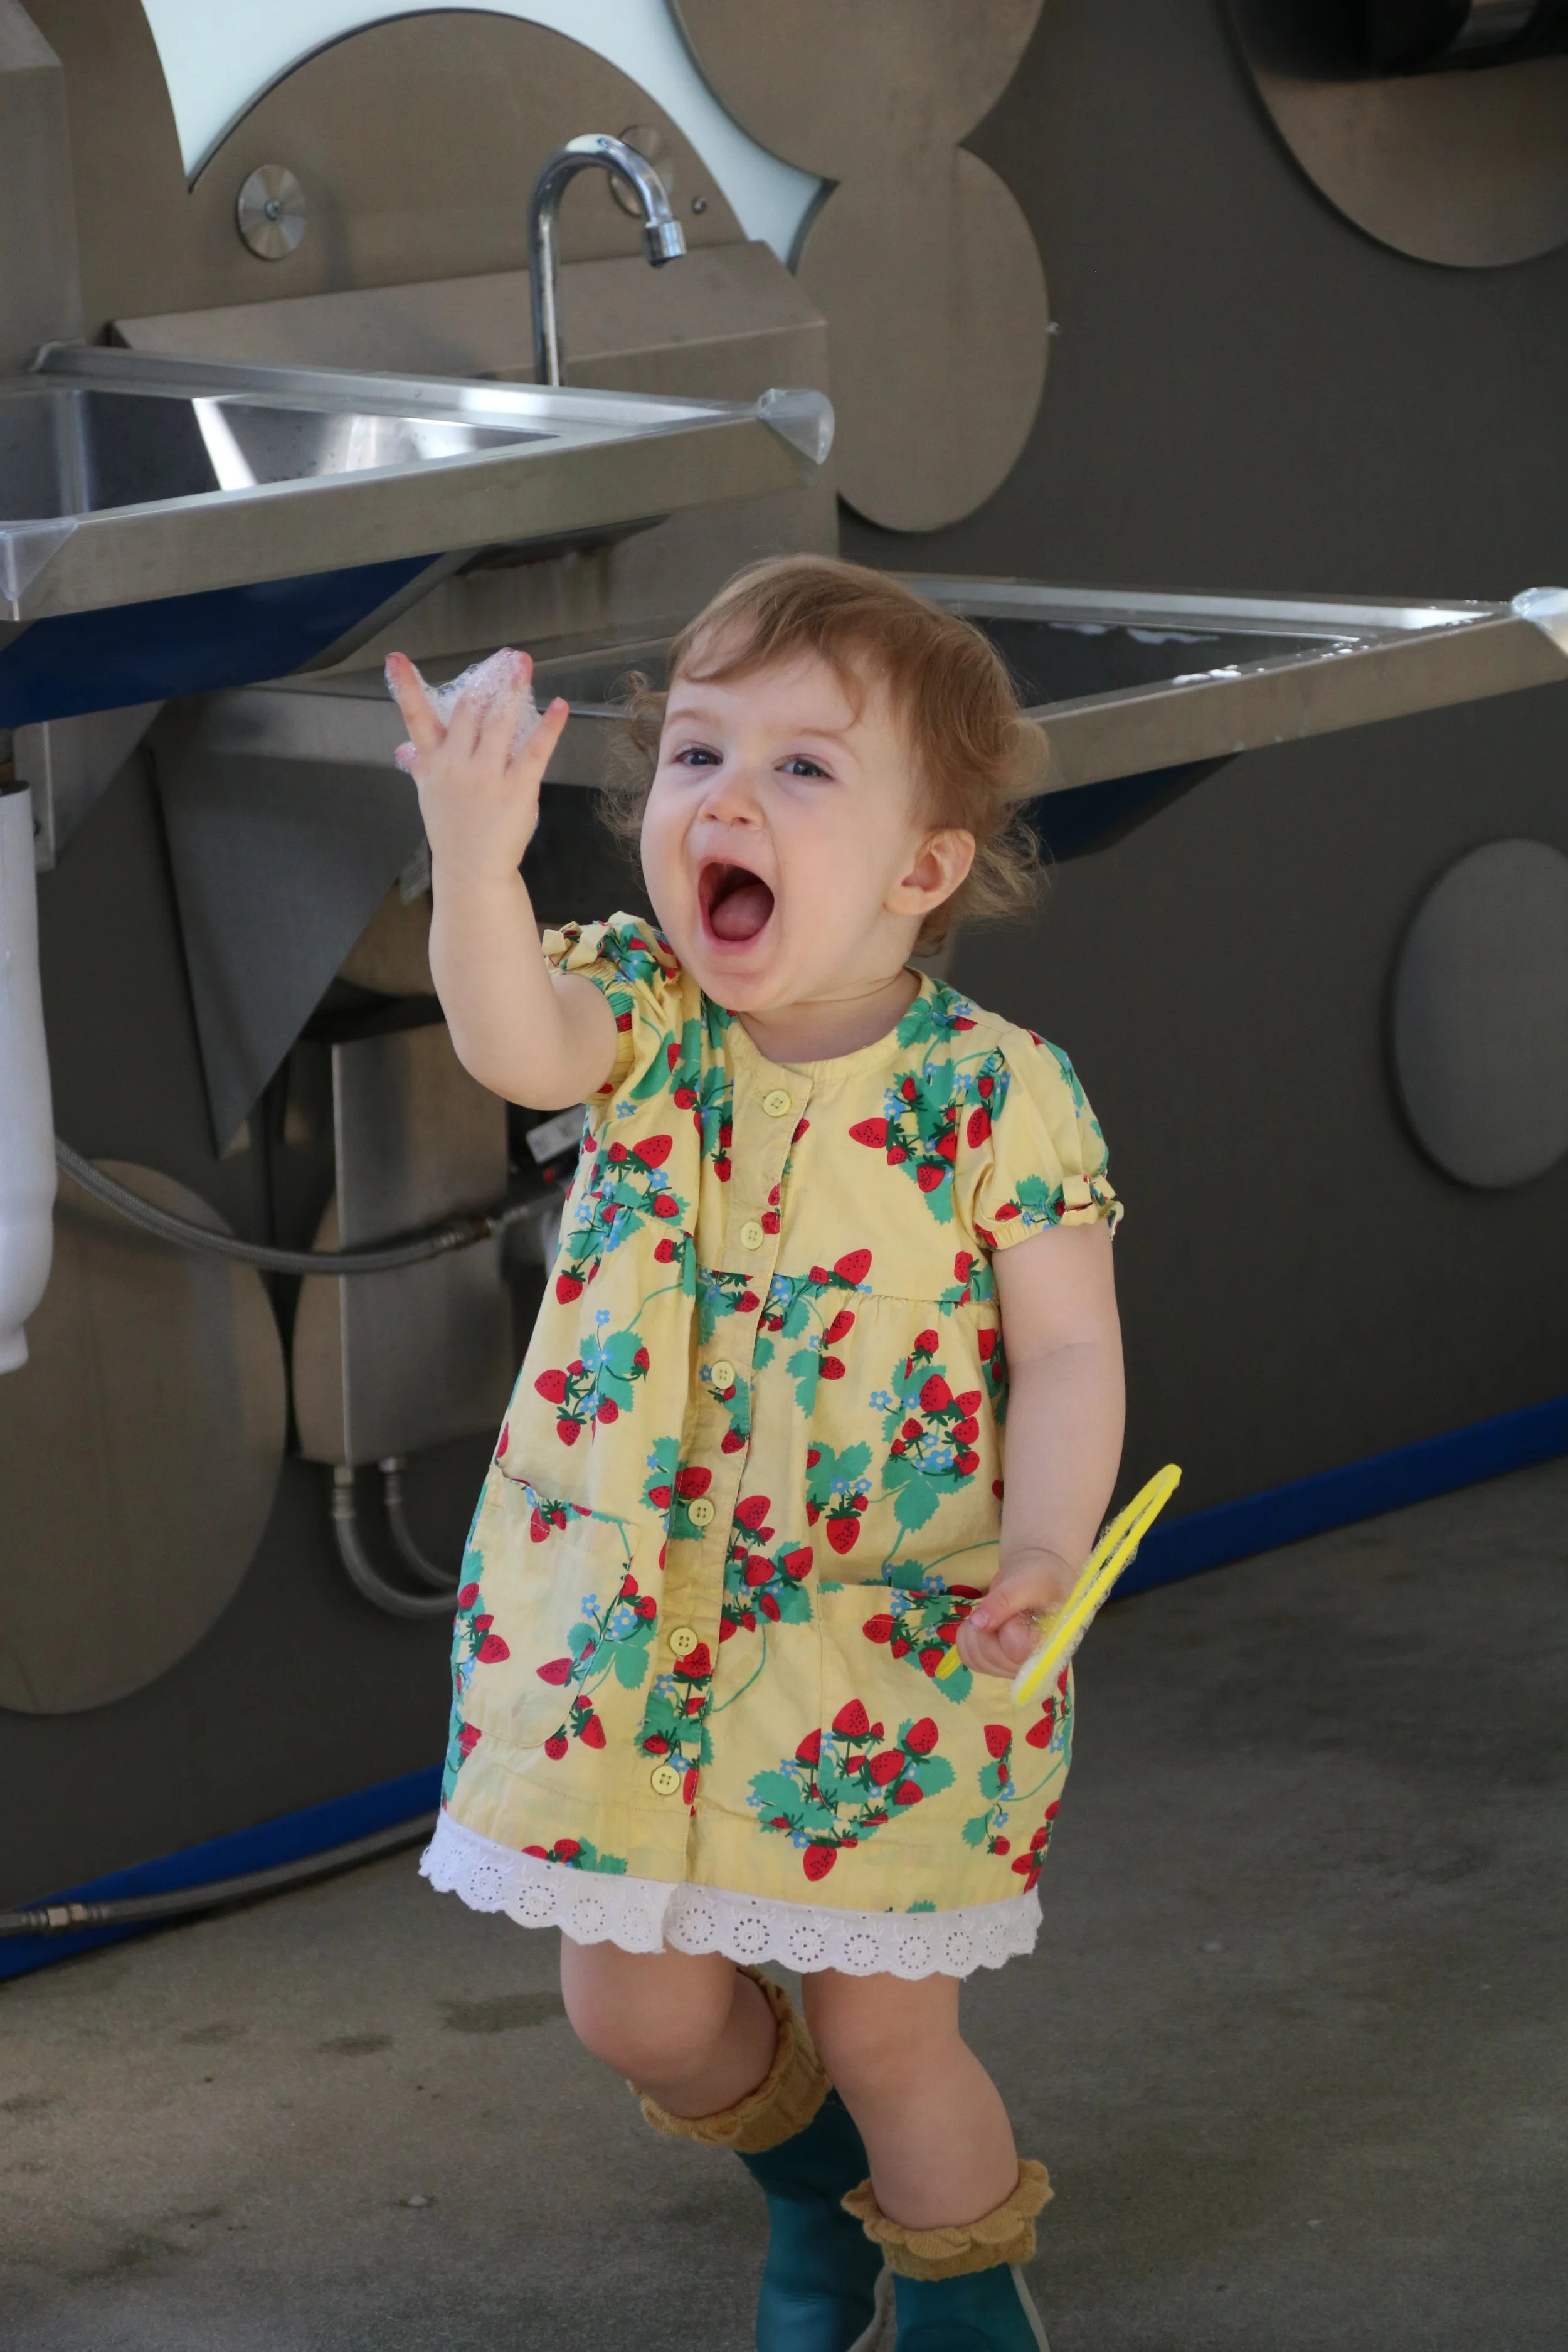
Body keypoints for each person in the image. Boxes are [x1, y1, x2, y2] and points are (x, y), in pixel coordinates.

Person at [388, 557, 1125, 2352]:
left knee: (886, 2030)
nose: (725, 797)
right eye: (696, 753)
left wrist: (1044, 1545)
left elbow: (1067, 1350)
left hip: (882, 1642)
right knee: (633, 2009)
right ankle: (814, 2189)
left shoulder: (996, 1090)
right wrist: (474, 860)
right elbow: (512, 1039)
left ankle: (962, 2290)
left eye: (802, 767)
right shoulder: (638, 1017)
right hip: (620, 1631)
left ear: (921, 867)